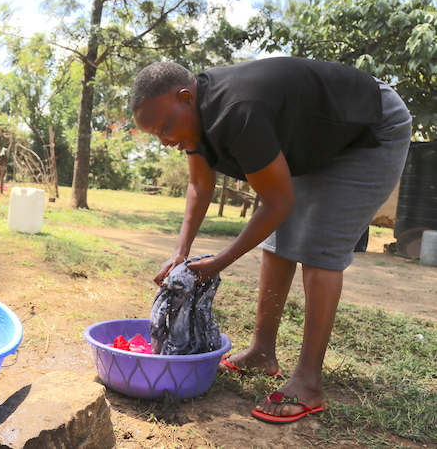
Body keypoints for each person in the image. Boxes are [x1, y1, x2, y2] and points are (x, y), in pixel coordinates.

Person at [130, 57, 411, 424]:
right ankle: (263, 353)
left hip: (369, 126)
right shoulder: (196, 118)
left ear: (185, 97)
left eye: (165, 127)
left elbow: (278, 202)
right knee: (279, 243)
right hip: (321, 139)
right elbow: (200, 184)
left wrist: (219, 262)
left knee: (319, 249)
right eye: (156, 135)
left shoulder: (237, 111)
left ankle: (309, 383)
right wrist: (181, 251)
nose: (165, 140)